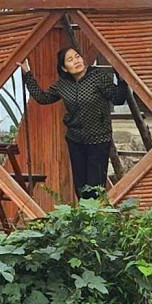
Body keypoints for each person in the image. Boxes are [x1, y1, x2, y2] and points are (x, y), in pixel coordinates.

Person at [21, 48, 129, 199]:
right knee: (81, 187)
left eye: (77, 56)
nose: (76, 61)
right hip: (75, 140)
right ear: (64, 68)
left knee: (96, 188)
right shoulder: (63, 84)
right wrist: (27, 73)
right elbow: (43, 98)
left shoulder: (97, 76)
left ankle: (95, 214)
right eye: (70, 60)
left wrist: (121, 77)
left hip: (98, 140)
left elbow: (118, 99)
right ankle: (83, 213)